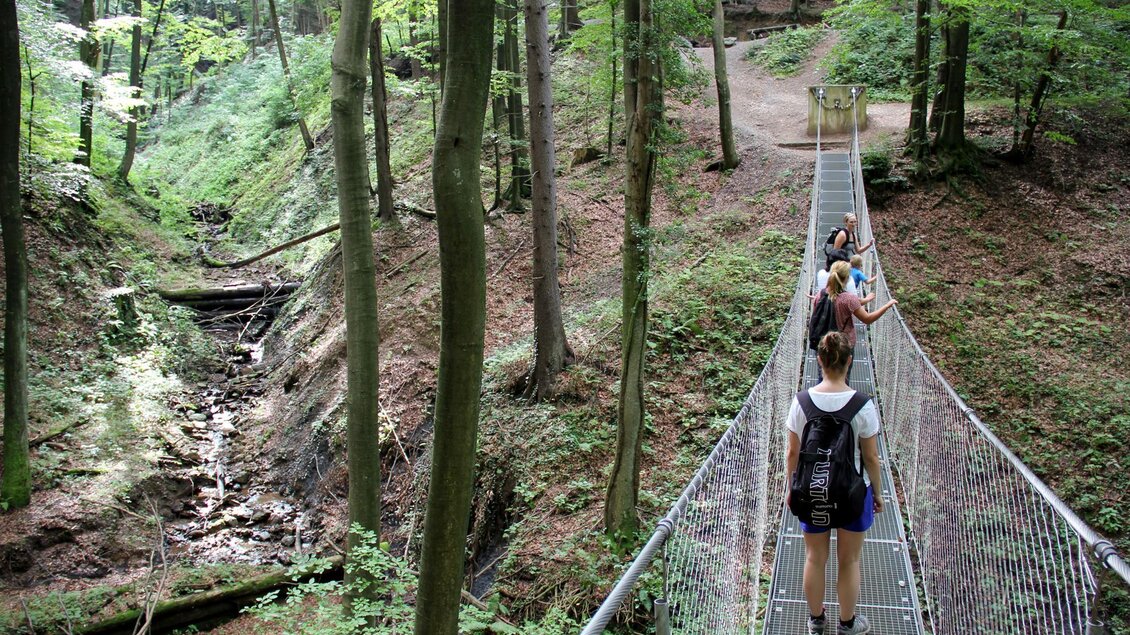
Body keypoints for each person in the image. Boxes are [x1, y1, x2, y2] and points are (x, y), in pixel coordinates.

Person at [786, 331, 884, 635]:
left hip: (812, 491)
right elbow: (870, 458)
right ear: (849, 361)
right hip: (853, 493)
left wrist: (791, 489)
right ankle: (847, 623)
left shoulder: (801, 402)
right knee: (850, 560)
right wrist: (877, 494)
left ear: (819, 360)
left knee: (814, 558)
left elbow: (792, 452)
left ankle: (817, 621)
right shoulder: (863, 405)